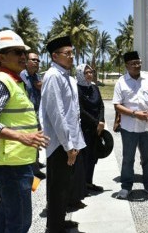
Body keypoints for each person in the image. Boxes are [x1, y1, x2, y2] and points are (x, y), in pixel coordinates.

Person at [0, 30, 49, 233]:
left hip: (17, 162)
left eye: (24, 52)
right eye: (17, 52)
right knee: (20, 223)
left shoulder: (16, 81)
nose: (23, 57)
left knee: (10, 219)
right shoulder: (1, 82)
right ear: (1, 57)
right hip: (10, 166)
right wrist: (22, 136)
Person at [39, 36, 86, 232]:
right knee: (57, 188)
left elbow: (72, 111)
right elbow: (56, 113)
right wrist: (68, 146)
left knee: (65, 187)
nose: (71, 57)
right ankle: (54, 227)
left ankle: (59, 220)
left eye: (72, 53)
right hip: (59, 144)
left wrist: (74, 142)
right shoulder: (53, 76)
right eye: (67, 54)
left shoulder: (67, 77)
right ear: (54, 56)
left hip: (70, 142)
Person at [112, 51, 148, 199]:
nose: (137, 65)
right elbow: (117, 105)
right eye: (133, 63)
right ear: (126, 65)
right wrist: (134, 114)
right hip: (129, 128)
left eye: (138, 62)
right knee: (128, 159)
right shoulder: (121, 82)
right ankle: (126, 187)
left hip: (147, 127)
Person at [76, 64, 105, 192]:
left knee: (94, 156)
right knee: (84, 157)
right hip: (84, 127)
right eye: (86, 72)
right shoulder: (77, 89)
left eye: (91, 72)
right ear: (80, 74)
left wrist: (101, 121)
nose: (89, 74)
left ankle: (89, 182)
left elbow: (101, 105)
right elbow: (80, 110)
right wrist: (96, 122)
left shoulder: (94, 87)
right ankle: (81, 186)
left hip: (97, 128)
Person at [20, 51, 46, 180]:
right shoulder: (22, 76)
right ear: (26, 62)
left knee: (37, 140)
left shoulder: (38, 77)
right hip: (24, 115)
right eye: (33, 60)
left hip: (36, 113)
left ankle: (34, 163)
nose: (36, 62)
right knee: (29, 141)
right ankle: (33, 169)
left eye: (38, 60)